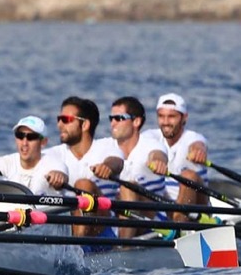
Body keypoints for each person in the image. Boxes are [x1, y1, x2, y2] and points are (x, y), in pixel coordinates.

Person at [45, 96, 124, 237]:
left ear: (85, 125)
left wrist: (107, 167)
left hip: (103, 230)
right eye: (59, 119)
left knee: (83, 185)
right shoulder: (53, 154)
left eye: (66, 120)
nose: (59, 125)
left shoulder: (107, 145)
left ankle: (78, 248)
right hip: (68, 225)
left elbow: (117, 162)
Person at [108, 97, 169, 238]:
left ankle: (123, 249)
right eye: (111, 118)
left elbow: (158, 154)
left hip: (151, 221)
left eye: (119, 118)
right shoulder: (106, 146)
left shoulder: (151, 145)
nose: (113, 123)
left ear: (136, 121)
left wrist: (158, 162)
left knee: (129, 187)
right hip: (116, 218)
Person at [143, 93, 208, 221]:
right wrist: (155, 160)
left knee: (189, 176)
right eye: (161, 116)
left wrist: (198, 152)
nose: (166, 122)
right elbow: (149, 149)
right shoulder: (150, 136)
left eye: (172, 117)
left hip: (196, 207)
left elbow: (198, 145)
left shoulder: (194, 138)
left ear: (184, 118)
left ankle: (179, 226)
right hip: (161, 207)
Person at [0, 116, 67, 195]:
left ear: (43, 142)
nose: (24, 143)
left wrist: (58, 177)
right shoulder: (4, 163)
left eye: (31, 137)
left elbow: (62, 175)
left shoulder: (55, 165)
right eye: (20, 135)